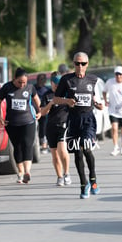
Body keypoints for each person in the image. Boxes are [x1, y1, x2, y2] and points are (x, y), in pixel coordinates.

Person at [53, 52, 103, 199]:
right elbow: (56, 99)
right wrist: (67, 101)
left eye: (83, 64)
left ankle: (93, 179)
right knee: (77, 151)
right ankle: (84, 184)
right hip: (73, 120)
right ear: (73, 64)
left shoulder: (93, 80)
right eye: (77, 63)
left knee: (87, 148)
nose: (79, 66)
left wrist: (97, 104)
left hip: (88, 119)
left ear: (87, 64)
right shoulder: (66, 80)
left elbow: (93, 96)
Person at [0, 67, 41, 184]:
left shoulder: (30, 88)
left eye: (24, 82)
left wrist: (39, 112)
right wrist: (0, 117)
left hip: (28, 121)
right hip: (12, 123)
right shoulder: (7, 87)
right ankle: (20, 173)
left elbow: (37, 100)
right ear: (14, 79)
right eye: (19, 82)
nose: (22, 85)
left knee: (27, 145)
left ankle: (27, 172)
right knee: (18, 147)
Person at [40, 72, 72, 186]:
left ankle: (67, 173)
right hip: (50, 126)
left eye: (59, 84)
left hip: (63, 124)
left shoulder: (67, 94)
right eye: (55, 84)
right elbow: (42, 112)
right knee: (54, 154)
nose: (57, 86)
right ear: (52, 83)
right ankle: (59, 176)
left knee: (62, 150)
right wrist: (51, 103)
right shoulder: (47, 95)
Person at [35, 73, 51, 154]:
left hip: (44, 113)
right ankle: (37, 144)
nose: (41, 81)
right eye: (40, 79)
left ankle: (44, 144)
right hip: (34, 112)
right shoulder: (33, 89)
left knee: (44, 127)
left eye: (43, 80)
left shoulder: (47, 90)